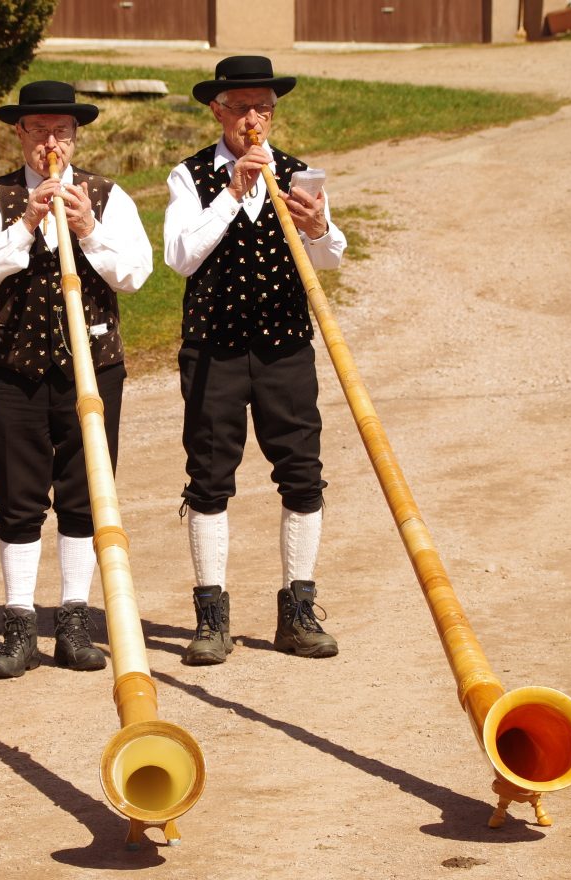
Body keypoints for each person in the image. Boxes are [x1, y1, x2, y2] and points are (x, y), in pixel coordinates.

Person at [0, 81, 153, 679]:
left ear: (75, 135)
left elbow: (135, 275)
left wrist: (88, 228)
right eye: (38, 129)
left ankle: (72, 622)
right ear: (20, 133)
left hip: (92, 369)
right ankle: (18, 625)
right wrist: (25, 224)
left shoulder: (107, 196)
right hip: (14, 369)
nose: (50, 141)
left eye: (61, 130)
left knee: (83, 494)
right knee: (17, 501)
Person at [163, 56, 348, 666]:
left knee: (302, 472)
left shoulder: (299, 174)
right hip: (213, 347)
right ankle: (211, 615)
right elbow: (181, 257)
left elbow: (329, 261)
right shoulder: (189, 177)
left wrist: (320, 228)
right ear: (217, 111)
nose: (253, 119)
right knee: (209, 475)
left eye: (263, 108)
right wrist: (232, 193)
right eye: (241, 107)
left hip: (284, 347)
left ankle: (297, 610)